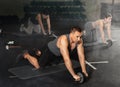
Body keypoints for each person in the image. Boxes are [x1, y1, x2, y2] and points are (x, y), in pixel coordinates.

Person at [17, 26, 88, 81]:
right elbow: (66, 59)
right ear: (71, 33)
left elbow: (81, 56)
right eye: (77, 37)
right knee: (39, 66)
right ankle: (26, 54)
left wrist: (84, 71)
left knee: (52, 65)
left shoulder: (79, 41)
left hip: (58, 54)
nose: (79, 39)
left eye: (80, 36)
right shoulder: (64, 40)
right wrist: (74, 75)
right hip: (49, 50)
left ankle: (37, 52)